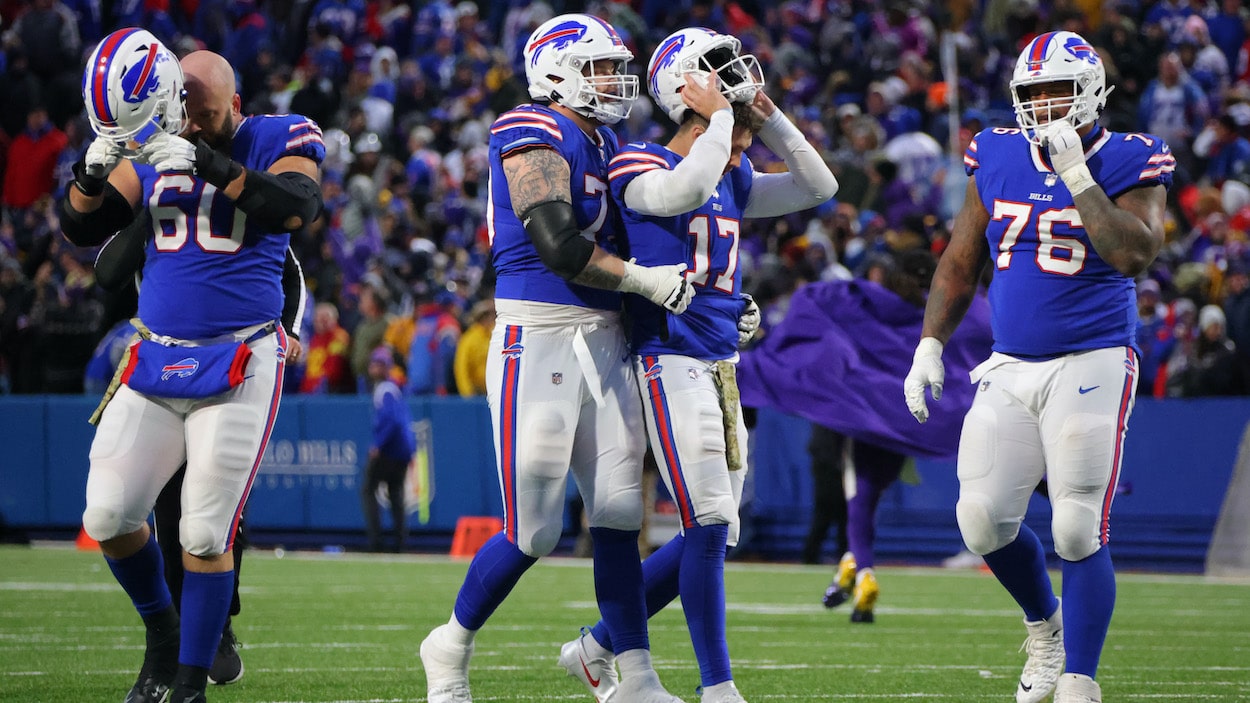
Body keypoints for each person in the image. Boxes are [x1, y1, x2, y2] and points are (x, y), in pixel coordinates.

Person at [418, 14, 695, 703]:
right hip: (534, 333)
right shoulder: (530, 128)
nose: (615, 81)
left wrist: (711, 298)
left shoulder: (610, 143)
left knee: (620, 512)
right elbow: (559, 245)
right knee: (535, 526)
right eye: (600, 67)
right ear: (556, 70)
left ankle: (635, 675)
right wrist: (642, 279)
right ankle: (449, 641)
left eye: (614, 68)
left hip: (606, 337)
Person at [558, 28, 837, 703]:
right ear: (688, 89)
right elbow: (683, 192)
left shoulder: (734, 170)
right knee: (709, 521)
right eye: (733, 106)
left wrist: (765, 113)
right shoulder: (638, 163)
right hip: (666, 358)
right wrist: (718, 118)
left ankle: (597, 645)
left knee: (720, 528)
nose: (744, 124)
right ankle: (719, 688)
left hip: (719, 361)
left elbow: (818, 186)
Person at [903, 30, 1172, 703]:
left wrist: (1078, 174)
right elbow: (963, 257)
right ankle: (1045, 625)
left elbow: (1135, 253)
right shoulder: (993, 151)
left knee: (1077, 523)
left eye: (1058, 90)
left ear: (1091, 92)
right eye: (1034, 92)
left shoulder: (1129, 156)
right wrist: (929, 343)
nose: (1045, 103)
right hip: (1010, 363)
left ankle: (1080, 677)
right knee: (981, 518)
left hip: (1095, 354)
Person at [60, 29, 324, 703]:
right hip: (158, 353)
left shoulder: (278, 132)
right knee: (110, 514)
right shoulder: (152, 143)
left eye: (207, 114)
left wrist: (208, 161)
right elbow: (83, 228)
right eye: (187, 112)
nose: (193, 123)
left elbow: (297, 208)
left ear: (234, 101)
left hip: (240, 351)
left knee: (204, 528)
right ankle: (163, 635)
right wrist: (89, 176)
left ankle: (187, 683)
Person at [92, 204, 310, 689]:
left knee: (213, 517)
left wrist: (290, 329)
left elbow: (288, 266)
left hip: (233, 360)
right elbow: (107, 269)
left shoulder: (233, 200)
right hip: (161, 363)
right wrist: (144, 212)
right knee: (146, 514)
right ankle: (171, 633)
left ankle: (218, 626)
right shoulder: (157, 202)